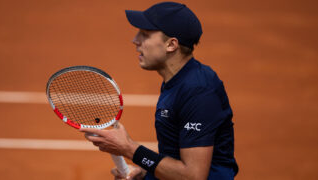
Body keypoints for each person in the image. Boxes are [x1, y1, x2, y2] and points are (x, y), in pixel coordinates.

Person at [80, 2, 238, 180]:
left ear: (171, 45)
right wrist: (146, 171)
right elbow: (175, 154)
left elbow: (193, 176)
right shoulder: (178, 80)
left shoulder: (198, 91)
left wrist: (129, 148)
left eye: (145, 34)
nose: (135, 40)